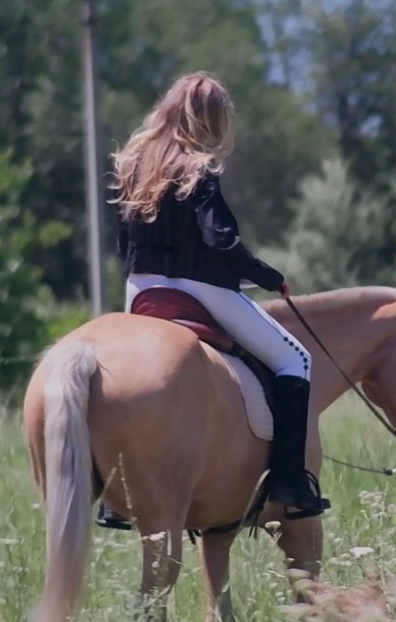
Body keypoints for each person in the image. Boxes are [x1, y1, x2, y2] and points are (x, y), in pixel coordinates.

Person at [95, 70, 330, 530]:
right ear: (211, 119)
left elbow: (123, 241)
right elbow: (219, 242)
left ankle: (112, 497)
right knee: (295, 360)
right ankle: (288, 483)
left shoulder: (133, 161)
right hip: (197, 287)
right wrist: (268, 276)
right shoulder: (197, 167)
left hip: (141, 287)